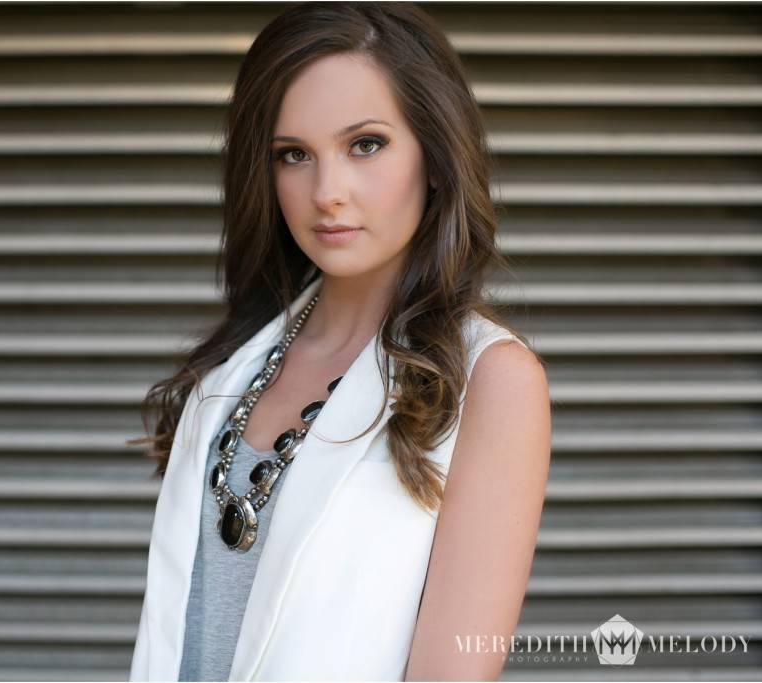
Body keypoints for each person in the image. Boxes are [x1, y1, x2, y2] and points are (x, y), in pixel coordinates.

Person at [130, 3, 550, 681]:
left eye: (365, 145)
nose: (326, 192)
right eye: (293, 154)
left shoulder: (490, 379)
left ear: (435, 157)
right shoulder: (234, 368)